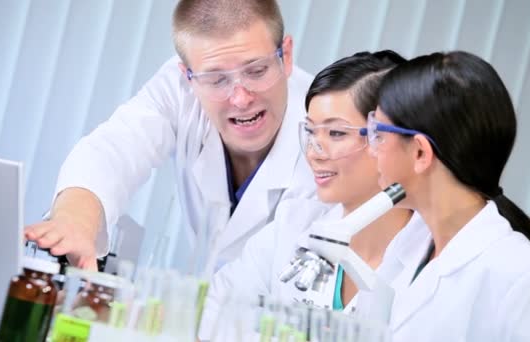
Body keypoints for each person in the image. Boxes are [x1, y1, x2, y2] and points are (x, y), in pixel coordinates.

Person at [23, 0, 316, 272]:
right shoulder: (178, 90)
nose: (240, 98)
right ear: (188, 77)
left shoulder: (328, 128)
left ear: (286, 55)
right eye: (216, 79)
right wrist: (76, 218)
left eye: (256, 71)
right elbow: (116, 147)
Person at [199, 50, 425, 339]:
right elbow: (211, 316)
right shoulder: (293, 225)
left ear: (390, 139)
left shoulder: (430, 263)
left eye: (335, 133)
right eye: (310, 132)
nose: (313, 153)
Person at [368, 51, 530, 341]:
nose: (372, 150)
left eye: (379, 135)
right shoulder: (411, 243)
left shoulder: (521, 274)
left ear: (420, 152)